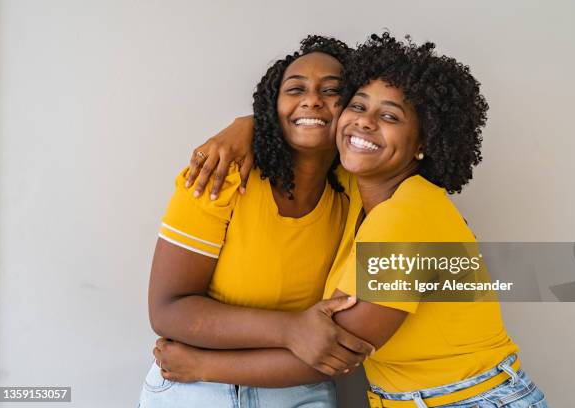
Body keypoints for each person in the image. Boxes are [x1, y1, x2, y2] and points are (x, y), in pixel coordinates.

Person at [166, 33, 549, 407]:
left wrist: (200, 364)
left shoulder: (406, 215)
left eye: (389, 116)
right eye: (358, 106)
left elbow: (335, 348)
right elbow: (309, 128)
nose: (364, 123)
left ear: (423, 143)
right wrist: (247, 124)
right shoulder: (362, 194)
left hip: (469, 399)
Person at [139, 35, 376, 408]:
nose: (311, 99)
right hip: (195, 390)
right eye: (295, 89)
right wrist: (291, 329)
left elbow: (339, 347)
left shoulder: (362, 191)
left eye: (332, 90)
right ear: (272, 105)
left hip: (297, 389)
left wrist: (205, 364)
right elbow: (167, 310)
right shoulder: (221, 175)